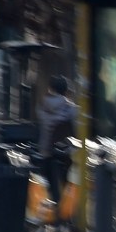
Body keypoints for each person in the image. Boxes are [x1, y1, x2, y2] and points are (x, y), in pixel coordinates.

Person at [36, 76, 77, 206]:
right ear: (66, 90)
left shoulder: (42, 106)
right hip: (65, 153)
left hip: (46, 151)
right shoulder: (71, 109)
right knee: (67, 183)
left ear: (50, 88)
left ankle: (51, 207)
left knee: (49, 187)